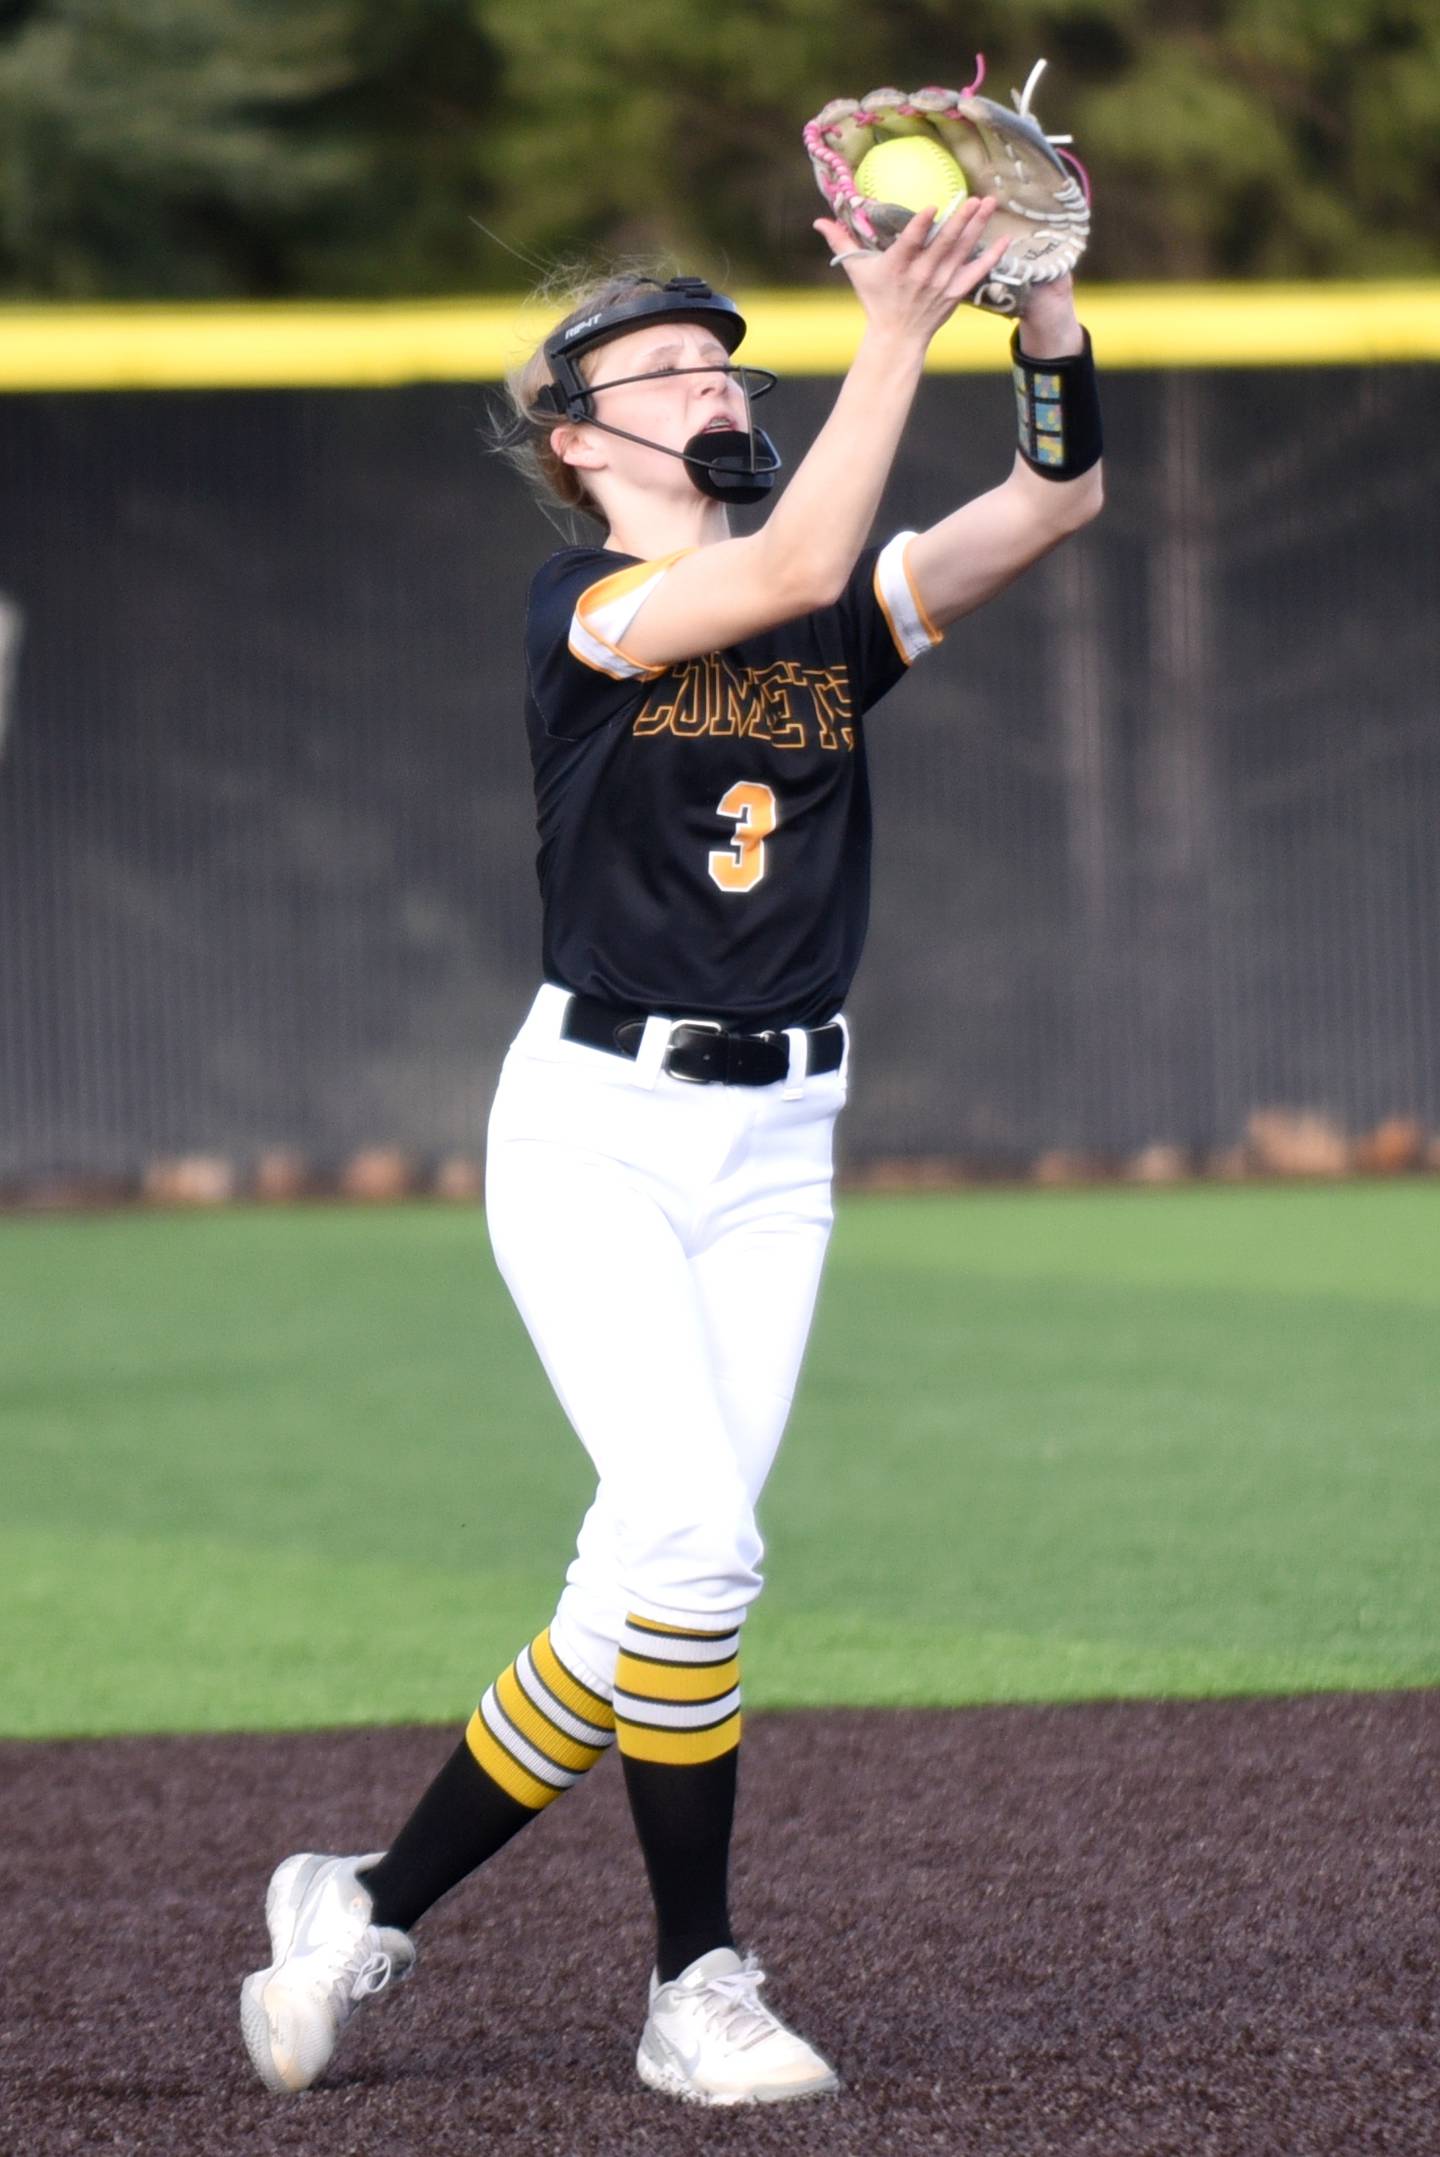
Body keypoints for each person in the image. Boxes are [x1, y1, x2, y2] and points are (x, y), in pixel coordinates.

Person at [239, 191, 1104, 2107]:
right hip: (598, 1131)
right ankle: (692, 1980)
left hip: (782, 1136)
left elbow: (1050, 506)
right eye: (666, 368)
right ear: (579, 437)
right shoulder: (585, 611)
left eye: (728, 356)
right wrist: (898, 325)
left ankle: (363, 1891)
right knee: (705, 1543)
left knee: (645, 1581)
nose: (715, 379)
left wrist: (1039, 319)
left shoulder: (827, 621)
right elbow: (800, 547)